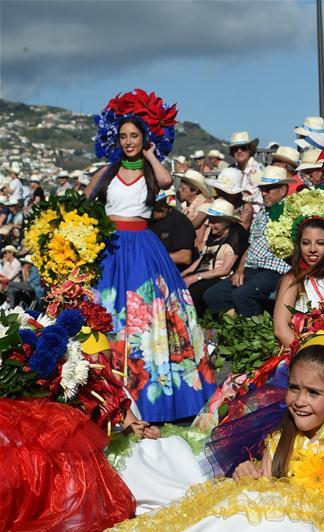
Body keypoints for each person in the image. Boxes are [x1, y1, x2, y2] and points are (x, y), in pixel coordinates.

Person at [25, 341, 324, 532]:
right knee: (195, 530)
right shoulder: (283, 437)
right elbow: (268, 481)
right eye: (295, 388)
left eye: (314, 392)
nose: (300, 400)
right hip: (267, 522)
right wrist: (248, 472)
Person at [86, 90, 216, 422]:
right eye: (123, 136)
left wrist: (150, 153)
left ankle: (154, 396)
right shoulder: (108, 171)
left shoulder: (149, 171)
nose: (128, 141)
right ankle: (111, 388)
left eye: (134, 135)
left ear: (144, 138)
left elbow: (166, 180)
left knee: (151, 315)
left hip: (143, 247)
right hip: (112, 247)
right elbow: (86, 199)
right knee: (111, 313)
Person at [204, 166, 292, 316]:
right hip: (252, 268)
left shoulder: (292, 212)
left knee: (243, 295)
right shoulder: (262, 213)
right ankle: (236, 331)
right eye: (262, 188)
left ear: (283, 190)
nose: (263, 193)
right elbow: (250, 245)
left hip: (275, 270)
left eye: (268, 189)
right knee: (213, 295)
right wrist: (239, 270)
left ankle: (256, 334)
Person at [272, 217, 324, 348]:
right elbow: (281, 329)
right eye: (306, 243)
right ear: (299, 245)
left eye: (320, 243)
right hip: (304, 358)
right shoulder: (293, 279)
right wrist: (309, 356)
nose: (312, 249)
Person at [180, 199, 246, 317]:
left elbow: (224, 270)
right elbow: (204, 258)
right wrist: (184, 273)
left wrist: (196, 277)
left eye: (215, 221)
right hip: (207, 273)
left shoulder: (235, 235)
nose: (210, 225)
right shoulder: (214, 233)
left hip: (221, 277)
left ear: (227, 221)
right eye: (210, 220)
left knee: (192, 293)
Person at [149, 193, 196, 269]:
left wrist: (152, 259)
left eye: (152, 207)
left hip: (171, 270)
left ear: (163, 206)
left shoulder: (180, 222)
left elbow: (185, 257)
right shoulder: (148, 220)